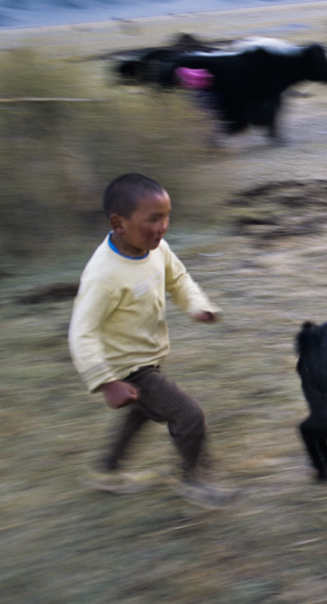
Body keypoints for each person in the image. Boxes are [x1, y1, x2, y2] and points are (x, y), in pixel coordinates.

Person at [69, 173, 236, 508]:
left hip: (147, 355)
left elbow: (178, 279)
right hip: (126, 366)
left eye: (166, 216)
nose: (163, 227)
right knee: (188, 415)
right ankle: (192, 478)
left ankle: (107, 469)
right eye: (154, 219)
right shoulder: (103, 275)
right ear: (119, 223)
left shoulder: (156, 249)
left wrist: (198, 306)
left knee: (142, 411)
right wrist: (106, 382)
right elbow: (80, 332)